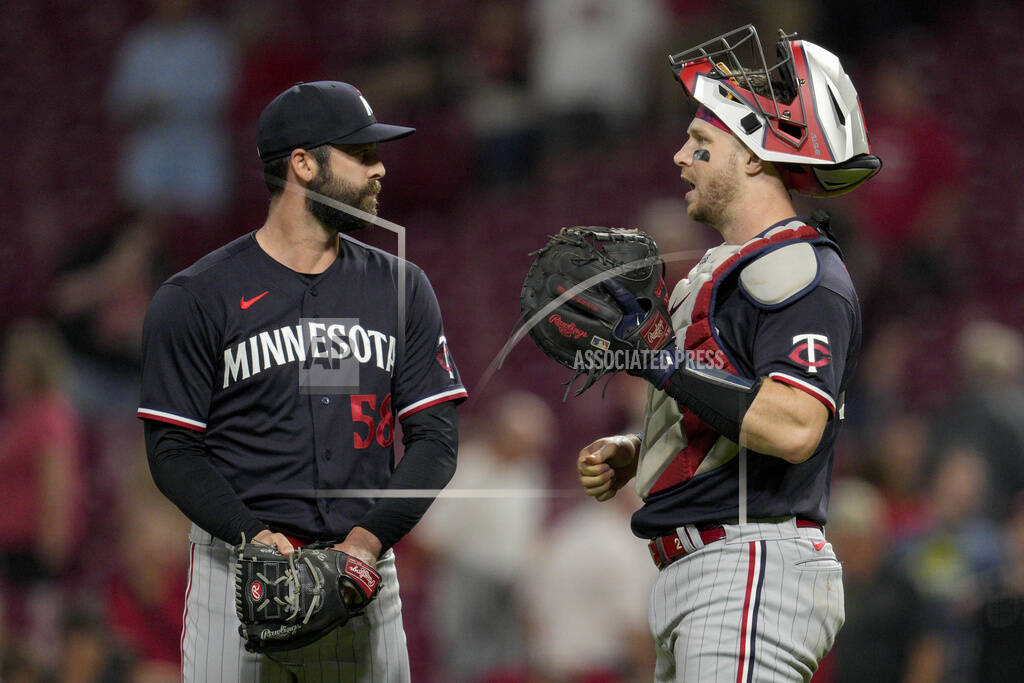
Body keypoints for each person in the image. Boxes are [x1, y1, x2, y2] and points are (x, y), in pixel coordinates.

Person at [575, 25, 880, 682]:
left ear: (751, 157)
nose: (680, 158)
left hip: (749, 560)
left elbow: (795, 425)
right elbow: (726, 397)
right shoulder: (727, 269)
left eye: (701, 143)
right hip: (707, 569)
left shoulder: (797, 267)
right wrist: (641, 447)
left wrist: (658, 364)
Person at [137, 80, 467, 681]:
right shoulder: (196, 296)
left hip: (360, 575)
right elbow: (172, 452)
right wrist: (255, 537)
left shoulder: (399, 287)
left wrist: (365, 545)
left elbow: (436, 442)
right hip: (234, 575)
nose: (381, 168)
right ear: (304, 164)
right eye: (362, 154)